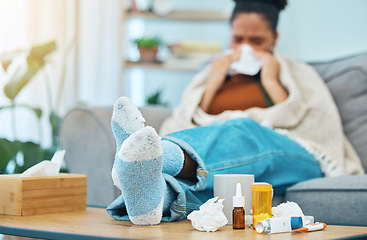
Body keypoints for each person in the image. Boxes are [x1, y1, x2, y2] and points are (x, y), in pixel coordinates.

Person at [107, 0, 364, 226]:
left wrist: (272, 81)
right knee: (219, 185)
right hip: (228, 160)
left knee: (242, 126)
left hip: (291, 153)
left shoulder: (295, 72)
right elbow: (186, 119)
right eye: (238, 39)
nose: (246, 48)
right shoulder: (212, 73)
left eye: (257, 41)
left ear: (274, 37)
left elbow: (308, 121)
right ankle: (153, 201)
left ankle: (154, 154)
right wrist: (213, 83)